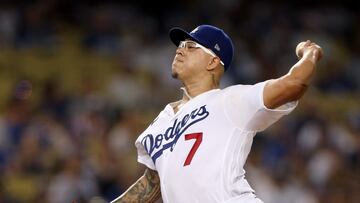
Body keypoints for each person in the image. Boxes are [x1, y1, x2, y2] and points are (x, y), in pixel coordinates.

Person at [111, 24, 323, 203]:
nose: (180, 50)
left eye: (191, 46)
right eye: (180, 45)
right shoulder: (163, 119)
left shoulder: (230, 101)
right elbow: (152, 183)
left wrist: (310, 53)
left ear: (213, 62)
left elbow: (294, 83)